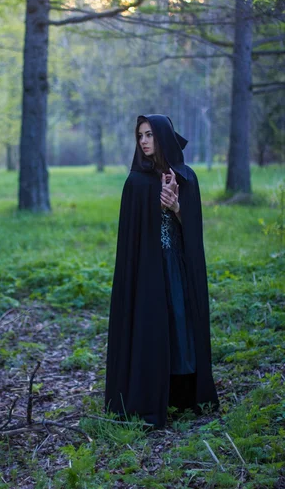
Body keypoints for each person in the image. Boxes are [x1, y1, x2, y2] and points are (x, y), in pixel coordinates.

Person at [104, 114, 219, 428]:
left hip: (177, 268)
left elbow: (193, 230)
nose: (143, 141)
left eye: (149, 134)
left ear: (163, 137)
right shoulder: (136, 182)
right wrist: (156, 206)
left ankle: (181, 397)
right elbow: (132, 236)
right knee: (153, 326)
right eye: (140, 135)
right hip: (147, 272)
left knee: (180, 325)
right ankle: (149, 396)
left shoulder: (186, 177)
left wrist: (175, 206)